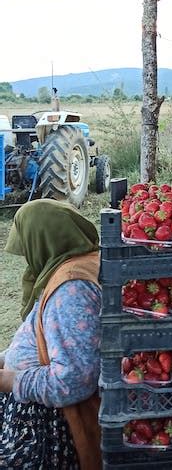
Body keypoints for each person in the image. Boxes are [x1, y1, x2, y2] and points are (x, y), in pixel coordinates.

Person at [0, 199, 102, 470]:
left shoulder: (72, 289)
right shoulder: (73, 265)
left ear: (42, 242)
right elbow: (49, 339)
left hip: (50, 432)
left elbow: (75, 380)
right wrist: (6, 359)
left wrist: (9, 380)